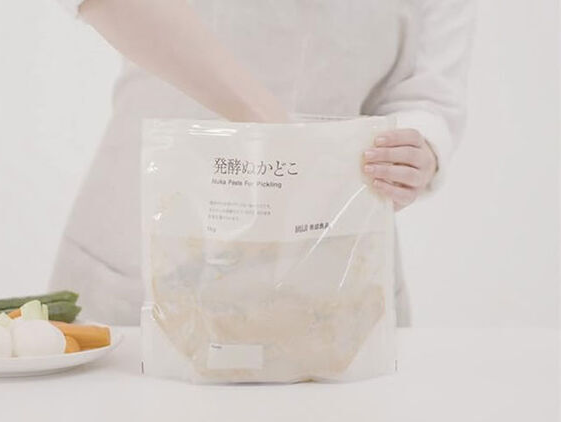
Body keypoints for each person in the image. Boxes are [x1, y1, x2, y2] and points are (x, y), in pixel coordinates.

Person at [51, 0, 475, 325]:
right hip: (143, 248)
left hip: (333, 268)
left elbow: (430, 94)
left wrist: (417, 150)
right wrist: (284, 136)